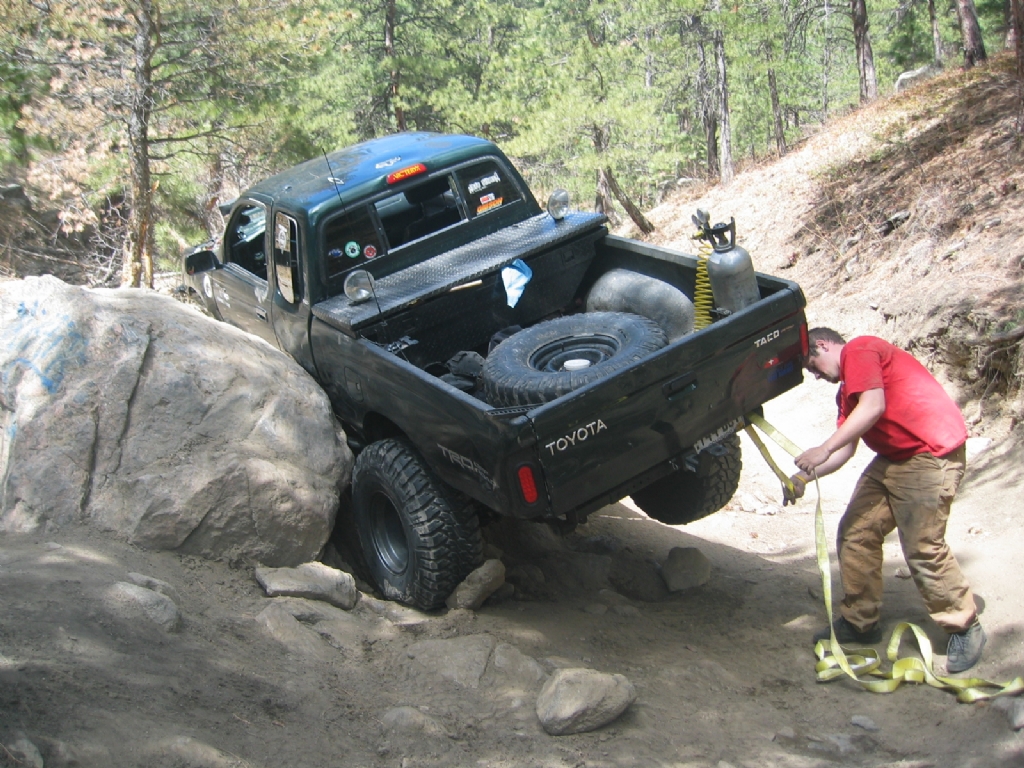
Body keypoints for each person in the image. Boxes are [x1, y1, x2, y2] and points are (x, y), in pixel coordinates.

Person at [787, 327, 985, 674]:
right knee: (856, 533)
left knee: (923, 545)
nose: (816, 376)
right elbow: (847, 448)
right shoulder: (848, 393)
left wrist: (823, 448)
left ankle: (965, 625)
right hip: (894, 459)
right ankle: (860, 621)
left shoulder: (860, 351)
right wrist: (804, 476)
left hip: (929, 455)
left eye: (813, 366)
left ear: (823, 344)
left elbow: (874, 407)